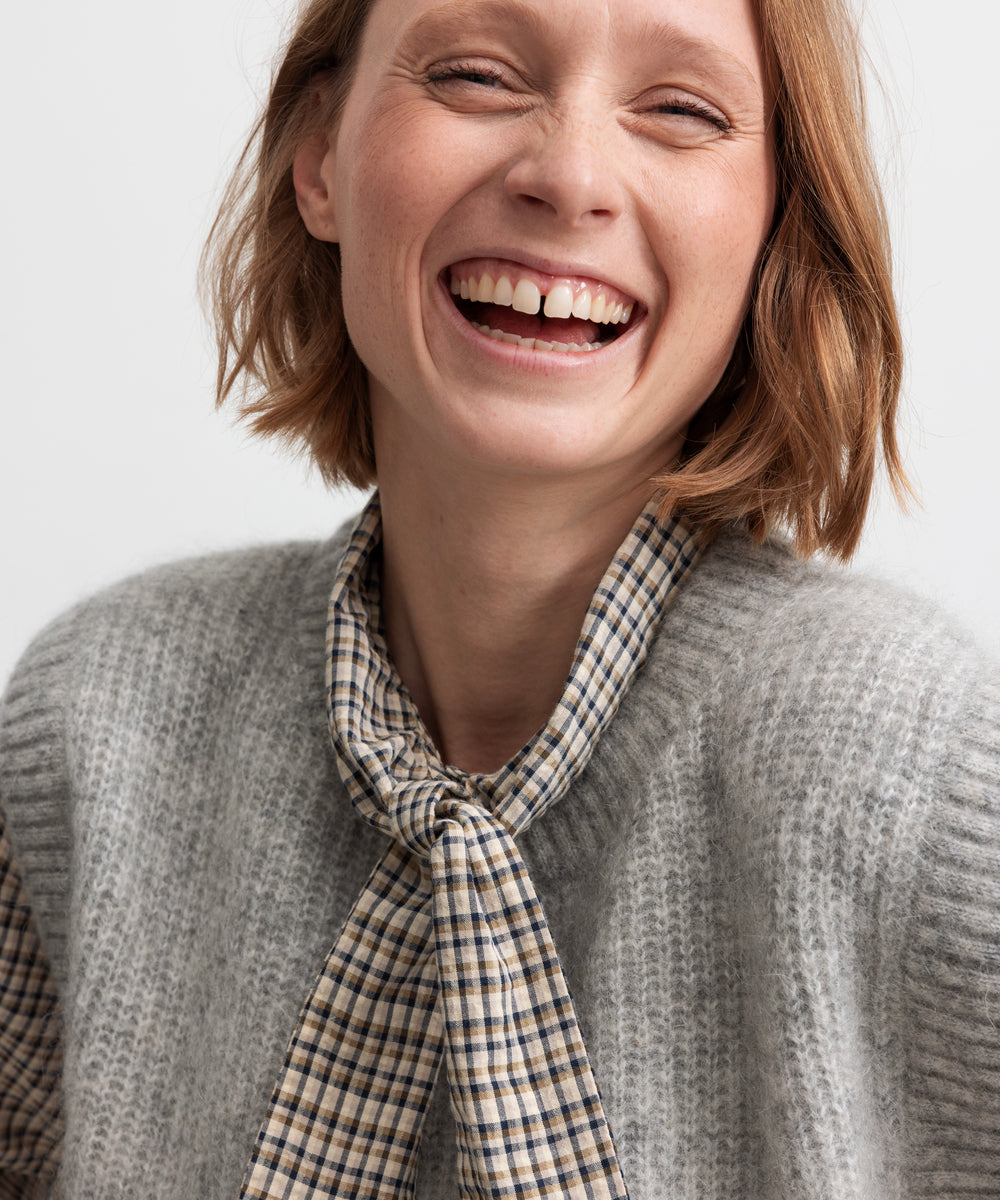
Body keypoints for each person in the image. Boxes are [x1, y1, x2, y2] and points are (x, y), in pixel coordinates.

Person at [1, 0, 997, 1196]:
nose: (568, 177)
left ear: (777, 220)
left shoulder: (932, 777)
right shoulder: (91, 727)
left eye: (682, 109)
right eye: (475, 76)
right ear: (319, 156)